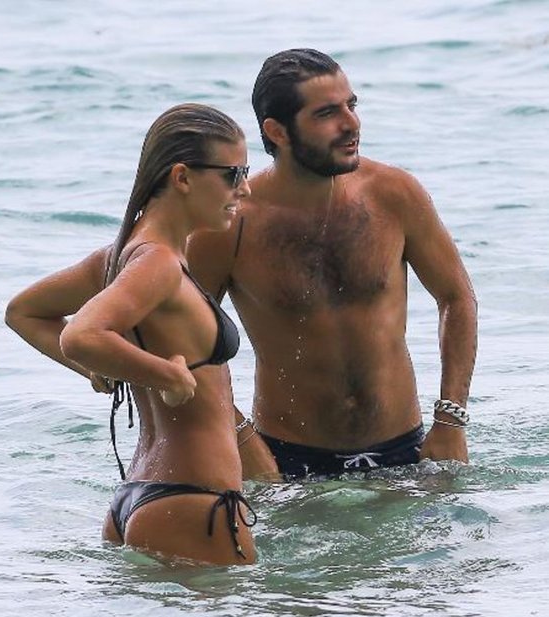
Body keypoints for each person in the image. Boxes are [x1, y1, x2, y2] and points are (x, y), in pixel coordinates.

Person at [187, 49, 478, 481]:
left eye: (351, 105)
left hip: (408, 452)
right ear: (277, 131)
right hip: (284, 461)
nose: (351, 123)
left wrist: (451, 419)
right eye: (327, 113)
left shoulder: (395, 194)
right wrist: (241, 438)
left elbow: (456, 297)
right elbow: (180, 338)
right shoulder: (230, 224)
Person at [5, 103, 257, 565]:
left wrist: (104, 368)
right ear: (182, 177)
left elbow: (25, 312)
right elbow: (81, 335)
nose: (244, 188)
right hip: (193, 502)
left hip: (140, 495)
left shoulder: (119, 256)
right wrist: (165, 375)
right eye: (232, 174)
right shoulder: (157, 263)